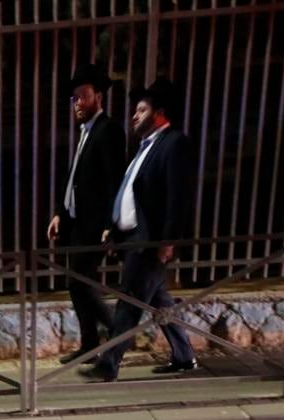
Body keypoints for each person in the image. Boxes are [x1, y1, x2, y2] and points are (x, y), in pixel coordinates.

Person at [81, 79, 198, 382]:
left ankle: (109, 364)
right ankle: (184, 356)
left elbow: (178, 197)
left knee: (129, 301)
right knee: (159, 300)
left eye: (141, 110)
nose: (134, 116)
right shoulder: (145, 148)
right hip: (132, 239)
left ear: (159, 113)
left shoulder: (174, 143)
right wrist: (114, 226)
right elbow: (131, 194)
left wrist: (168, 242)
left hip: (150, 242)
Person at [46, 63, 126, 365]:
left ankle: (116, 332)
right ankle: (90, 343)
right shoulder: (84, 133)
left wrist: (110, 224)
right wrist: (59, 213)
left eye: (84, 96)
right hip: (75, 223)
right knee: (77, 283)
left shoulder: (109, 131)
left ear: (98, 98)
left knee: (81, 282)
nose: (78, 103)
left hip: (95, 225)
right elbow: (74, 177)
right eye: (74, 98)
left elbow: (113, 181)